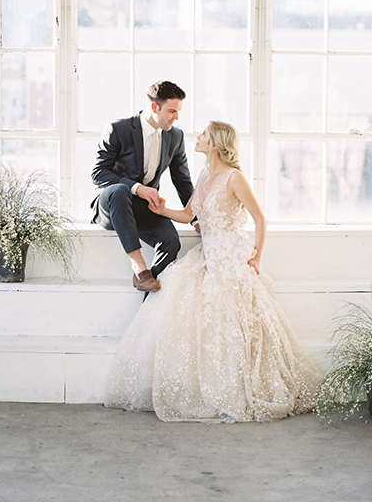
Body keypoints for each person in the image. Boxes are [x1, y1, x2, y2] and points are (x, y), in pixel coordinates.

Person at [105, 121, 321, 422]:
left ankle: (242, 388)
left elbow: (259, 218)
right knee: (175, 291)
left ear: (216, 144)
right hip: (207, 255)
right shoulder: (205, 175)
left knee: (234, 318)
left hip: (230, 256)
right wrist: (160, 211)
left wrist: (257, 257)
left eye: (203, 134)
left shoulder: (235, 178)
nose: (197, 137)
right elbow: (187, 214)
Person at [91, 81, 194, 293]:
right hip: (112, 206)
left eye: (178, 112)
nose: (176, 118)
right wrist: (137, 188)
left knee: (171, 241)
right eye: (172, 111)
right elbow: (98, 174)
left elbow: (182, 181)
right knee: (120, 190)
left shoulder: (175, 136)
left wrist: (197, 217)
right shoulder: (118, 129)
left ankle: (150, 308)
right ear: (155, 107)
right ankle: (139, 267)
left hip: (143, 208)